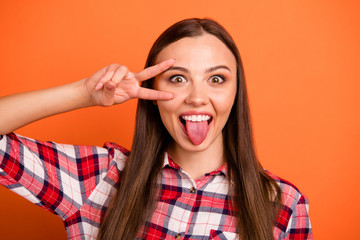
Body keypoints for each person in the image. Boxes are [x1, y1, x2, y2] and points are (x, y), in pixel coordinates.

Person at [0, 18, 312, 240]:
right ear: (151, 93)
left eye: (216, 79)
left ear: (236, 93)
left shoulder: (282, 203)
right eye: (177, 78)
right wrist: (85, 93)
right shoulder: (100, 179)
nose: (197, 98)